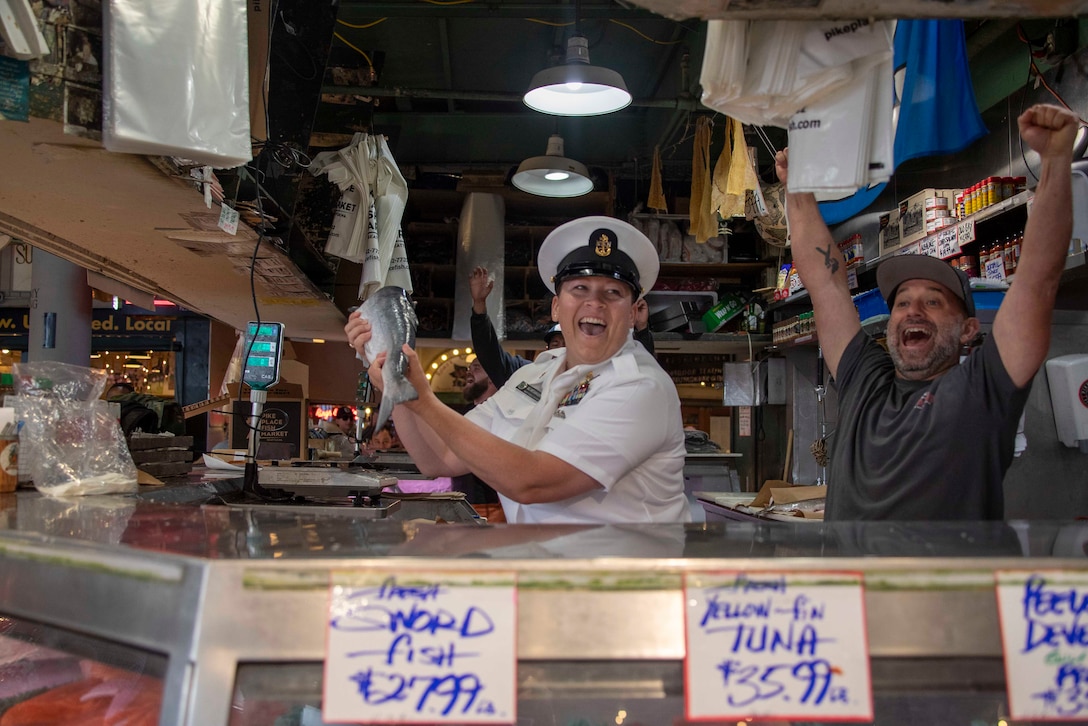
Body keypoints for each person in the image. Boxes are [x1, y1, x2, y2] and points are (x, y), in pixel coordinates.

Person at [776, 103, 1077, 521]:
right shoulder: (865, 379)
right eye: (902, 302)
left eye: (933, 301)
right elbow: (826, 284)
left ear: (969, 329)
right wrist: (799, 188)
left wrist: (1057, 160)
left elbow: (1038, 281)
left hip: (941, 588)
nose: (912, 311)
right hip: (851, 587)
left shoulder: (982, 390)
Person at [347, 216, 689, 524]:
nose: (594, 303)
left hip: (627, 583)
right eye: (579, 289)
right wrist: (395, 380)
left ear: (633, 313)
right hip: (547, 575)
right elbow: (441, 458)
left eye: (613, 293)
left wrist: (423, 400)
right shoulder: (535, 374)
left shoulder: (640, 386)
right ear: (556, 307)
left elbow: (531, 482)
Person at [469, 265, 655, 389]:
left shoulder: (601, 378)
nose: (559, 348)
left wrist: (642, 328)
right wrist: (479, 307)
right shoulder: (532, 375)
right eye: (555, 344)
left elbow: (638, 369)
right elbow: (490, 354)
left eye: (563, 343)